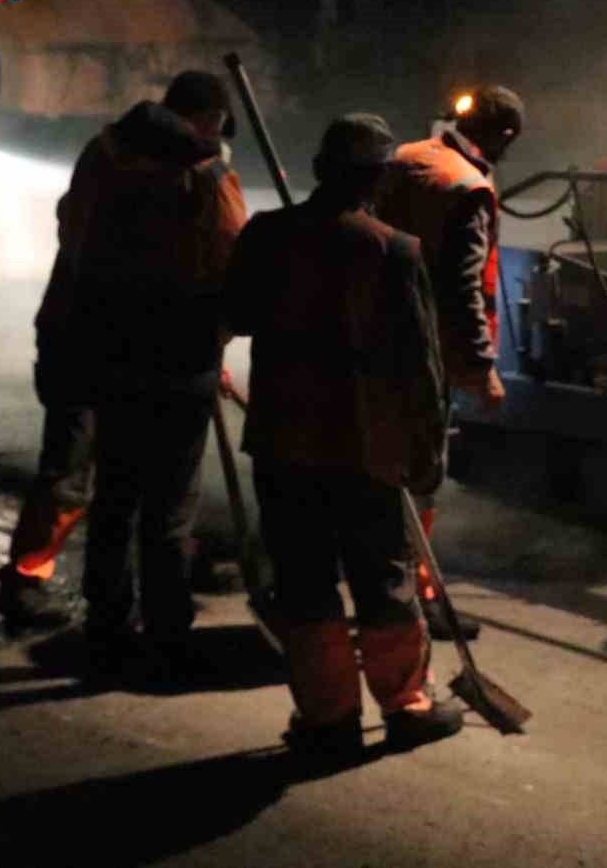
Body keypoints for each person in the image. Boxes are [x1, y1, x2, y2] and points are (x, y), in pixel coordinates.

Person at [225, 113, 461, 756]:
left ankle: (328, 720)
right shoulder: (393, 249)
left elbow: (235, 313)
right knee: (383, 580)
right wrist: (428, 452)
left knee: (303, 583)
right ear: (377, 180)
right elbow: (422, 366)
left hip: (283, 441)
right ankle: (406, 705)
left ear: (320, 171)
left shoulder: (269, 234)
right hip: (366, 444)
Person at [42, 70, 245, 666]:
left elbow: (69, 227)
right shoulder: (205, 174)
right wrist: (220, 333)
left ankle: (106, 621)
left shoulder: (102, 153)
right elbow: (232, 255)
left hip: (108, 348)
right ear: (208, 119)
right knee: (169, 504)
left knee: (115, 494)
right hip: (180, 355)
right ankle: (166, 627)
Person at [375, 84, 524, 640]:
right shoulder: (468, 188)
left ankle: (384, 586)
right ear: (505, 134)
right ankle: (416, 598)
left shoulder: (407, 158)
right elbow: (465, 287)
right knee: (420, 476)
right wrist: (481, 366)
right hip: (422, 351)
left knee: (374, 468)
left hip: (367, 337)